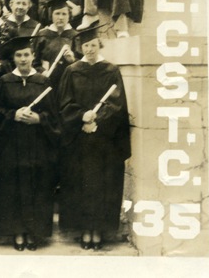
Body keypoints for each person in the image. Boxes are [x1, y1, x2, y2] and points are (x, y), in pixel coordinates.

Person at [58, 22, 131, 250]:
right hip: (78, 138)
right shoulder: (72, 71)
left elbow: (117, 104)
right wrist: (82, 117)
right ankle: (84, 230)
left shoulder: (111, 70)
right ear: (79, 47)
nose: (89, 49)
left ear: (99, 45)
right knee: (81, 184)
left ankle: (98, 230)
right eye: (85, 45)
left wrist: (97, 122)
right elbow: (64, 103)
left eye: (92, 44)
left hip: (103, 140)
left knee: (101, 185)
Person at [0, 36, 60, 250]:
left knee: (37, 186)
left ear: (33, 56)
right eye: (19, 55)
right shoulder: (4, 81)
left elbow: (54, 115)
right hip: (12, 145)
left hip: (37, 144)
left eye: (26, 55)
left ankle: (34, 233)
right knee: (13, 186)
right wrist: (13, 115)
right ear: (13, 58)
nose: (23, 59)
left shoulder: (43, 81)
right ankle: (18, 232)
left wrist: (39, 119)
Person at [33, 0, 78, 86]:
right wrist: (42, 72)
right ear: (51, 15)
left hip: (68, 82)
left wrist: (73, 60)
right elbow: (35, 62)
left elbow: (83, 63)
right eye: (57, 13)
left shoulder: (75, 35)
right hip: (46, 80)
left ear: (69, 16)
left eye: (64, 14)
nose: (60, 17)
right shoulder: (42, 35)